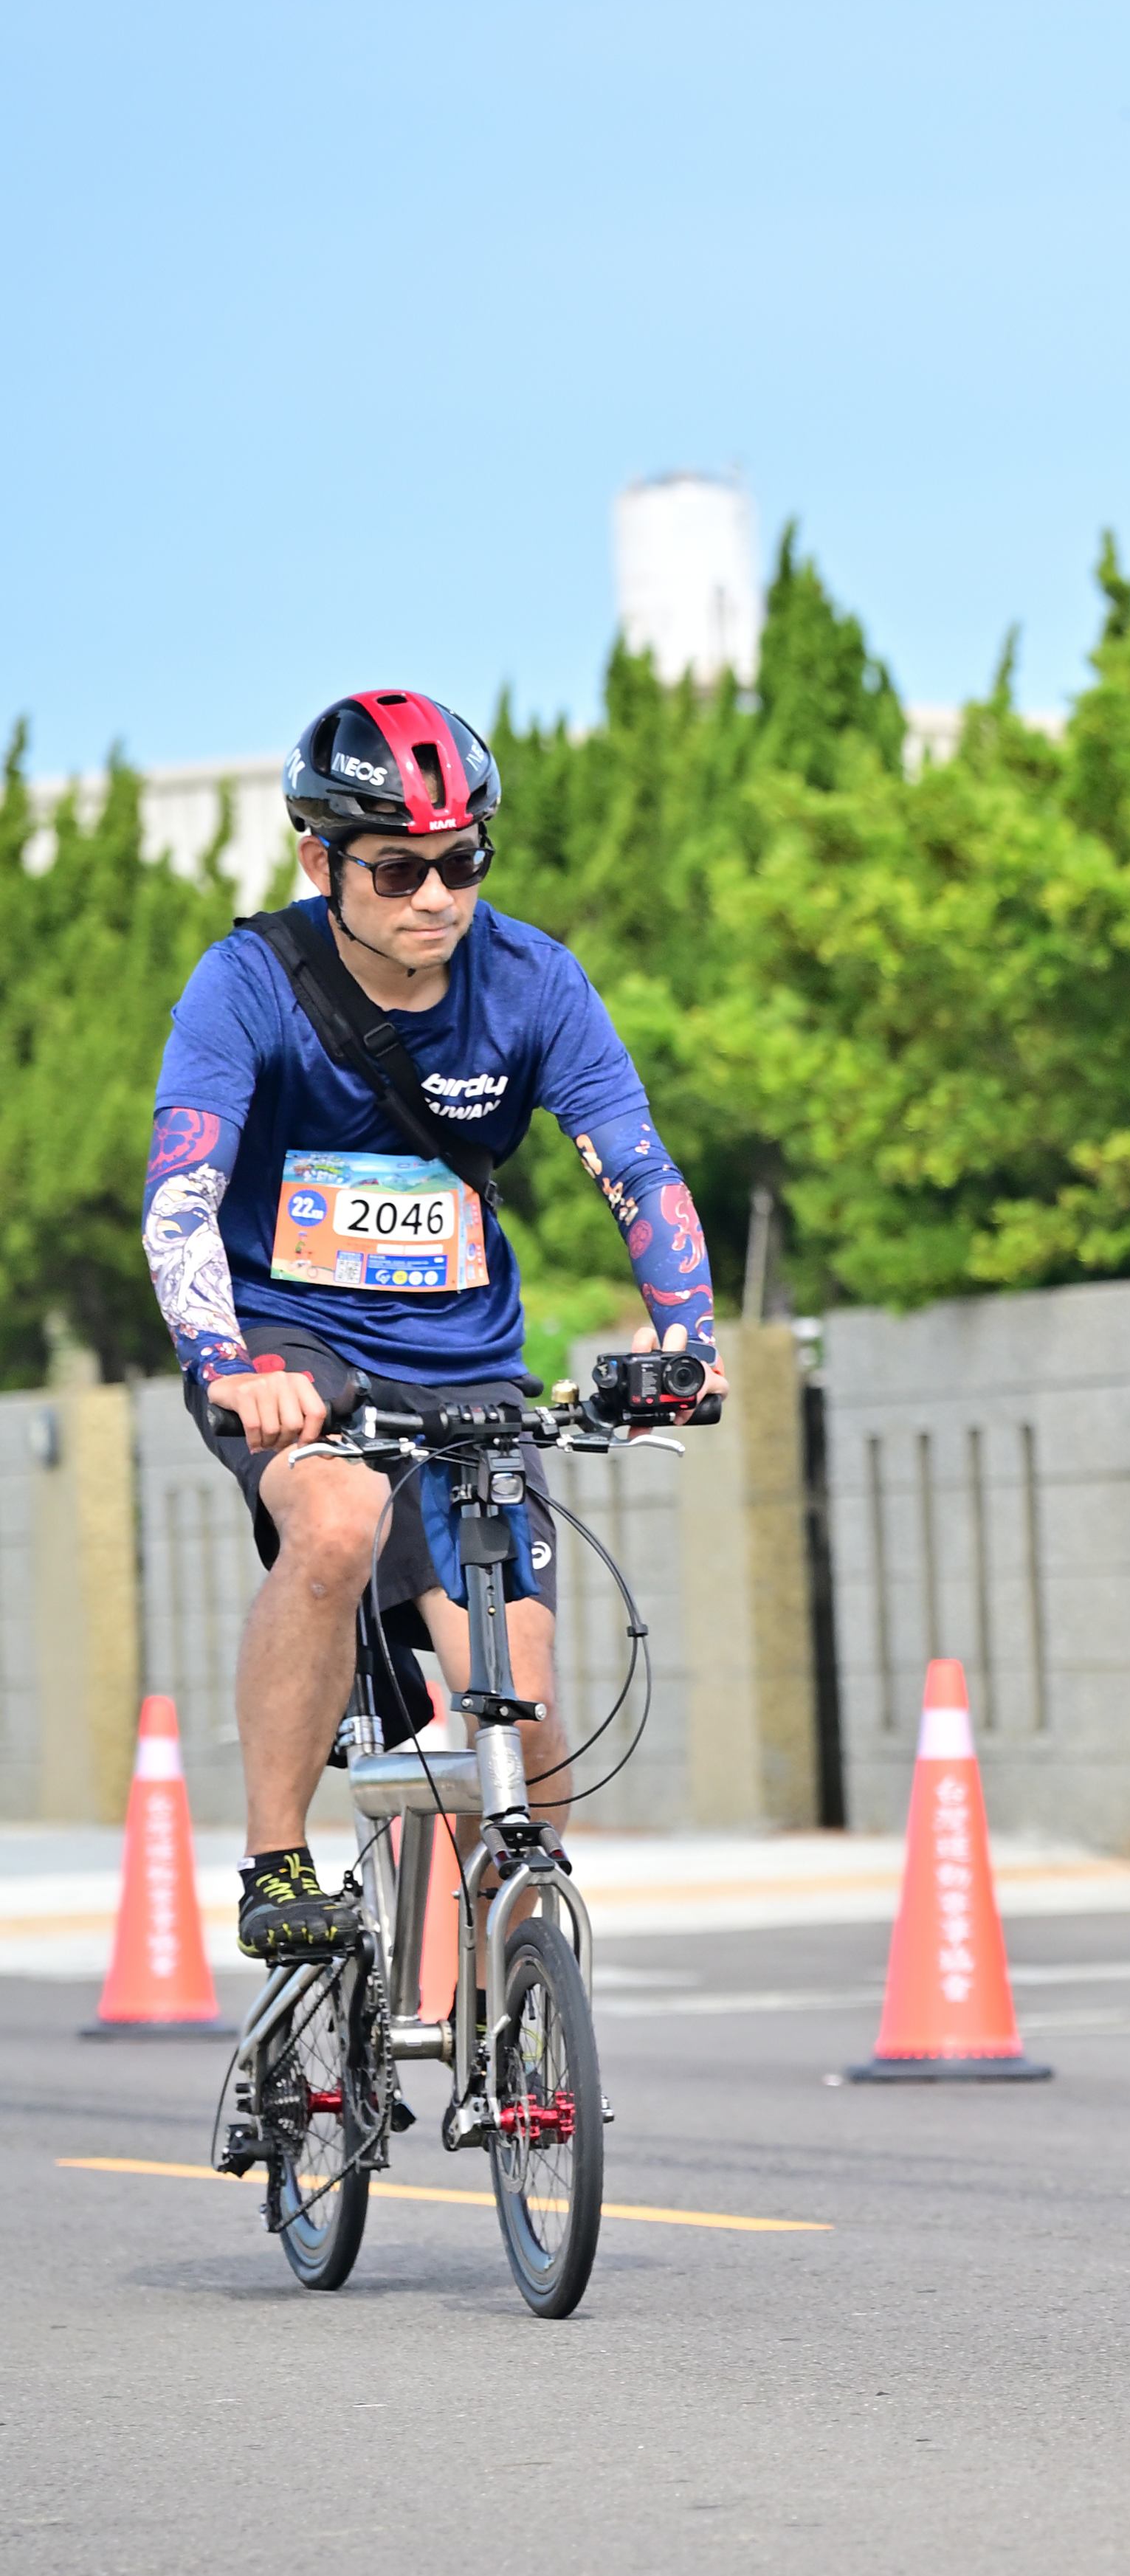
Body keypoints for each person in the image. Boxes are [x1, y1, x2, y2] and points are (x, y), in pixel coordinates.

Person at [142, 687, 723, 1958]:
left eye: (462, 862)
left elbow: (635, 1167)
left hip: (464, 1365)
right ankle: (277, 1865)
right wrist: (226, 1365)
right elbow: (181, 1193)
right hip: (291, 1347)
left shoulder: (533, 983)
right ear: (321, 863)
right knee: (337, 1521)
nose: (436, 898)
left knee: (523, 1701)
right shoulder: (248, 983)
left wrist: (687, 1336)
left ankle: (507, 1990)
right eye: (399, 869)